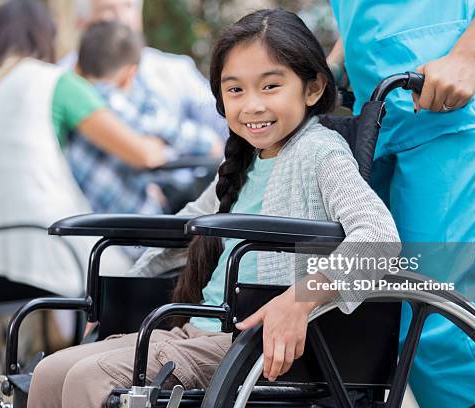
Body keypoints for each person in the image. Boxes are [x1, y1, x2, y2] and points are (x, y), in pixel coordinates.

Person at [27, 9, 400, 407]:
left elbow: (380, 239)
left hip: (246, 343)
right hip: (192, 331)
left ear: (312, 89)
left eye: (270, 86)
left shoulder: (319, 152)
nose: (252, 105)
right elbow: (182, 231)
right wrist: (116, 301)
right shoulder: (241, 163)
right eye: (235, 90)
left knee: (91, 378)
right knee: (49, 373)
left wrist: (299, 300)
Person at [327, 0, 475, 406]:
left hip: (461, 108)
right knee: (354, 312)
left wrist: (468, 54)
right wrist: (336, 60)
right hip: (376, 109)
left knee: (441, 321)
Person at [0, 0, 170, 304]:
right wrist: (159, 145)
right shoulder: (52, 81)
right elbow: (142, 154)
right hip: (52, 261)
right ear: (44, 36)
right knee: (152, 271)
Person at [67, 21, 222, 218]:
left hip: (84, 216)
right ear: (130, 73)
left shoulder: (72, 96)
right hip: (126, 228)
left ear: (77, 65)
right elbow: (170, 133)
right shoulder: (109, 100)